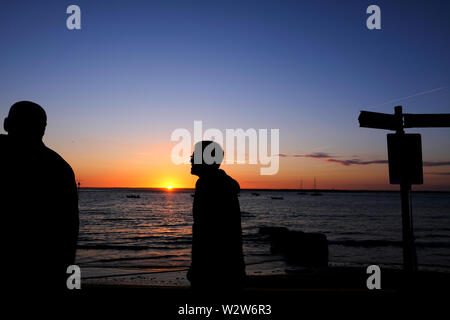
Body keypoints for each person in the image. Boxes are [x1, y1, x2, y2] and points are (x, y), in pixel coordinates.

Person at [0, 101, 79, 292]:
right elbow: (69, 230)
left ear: (6, 124)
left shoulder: (58, 168)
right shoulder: (59, 167)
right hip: (44, 270)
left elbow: (68, 228)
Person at [187, 140, 246, 290]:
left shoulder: (211, 186)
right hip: (223, 270)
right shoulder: (212, 183)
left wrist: (199, 268)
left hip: (216, 274)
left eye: (195, 155)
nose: (190, 158)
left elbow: (210, 233)